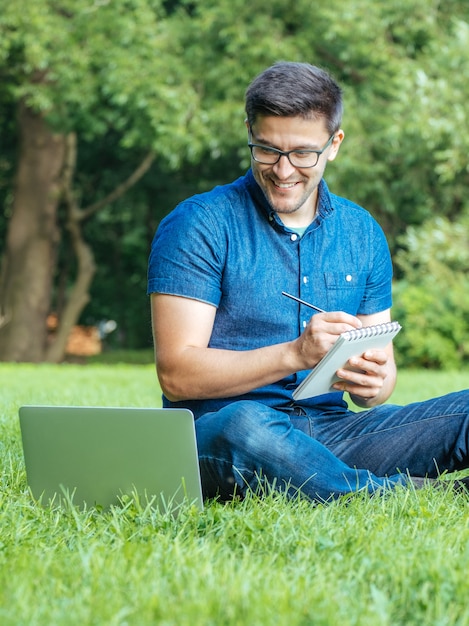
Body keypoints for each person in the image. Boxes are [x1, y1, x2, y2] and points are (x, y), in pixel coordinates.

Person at [147, 61, 469, 503]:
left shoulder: (361, 232)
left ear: (333, 144)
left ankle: (344, 484)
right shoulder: (199, 224)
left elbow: (380, 382)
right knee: (245, 425)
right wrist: (295, 354)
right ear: (249, 131)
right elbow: (177, 376)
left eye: (302, 153)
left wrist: (375, 384)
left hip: (333, 434)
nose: (283, 171)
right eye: (267, 150)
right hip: (233, 436)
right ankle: (413, 497)